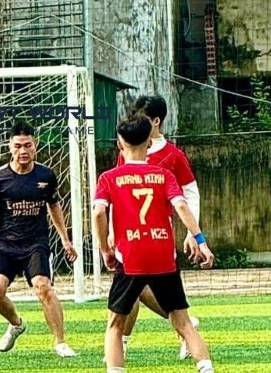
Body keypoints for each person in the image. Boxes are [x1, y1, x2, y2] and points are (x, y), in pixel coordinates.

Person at [93, 114, 216, 373]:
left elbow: (98, 212)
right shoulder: (163, 176)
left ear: (119, 145)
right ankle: (206, 368)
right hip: (163, 255)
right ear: (149, 144)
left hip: (131, 256)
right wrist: (201, 240)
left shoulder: (109, 178)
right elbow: (181, 205)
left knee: (115, 325)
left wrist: (105, 249)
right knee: (183, 322)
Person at [0, 120, 78, 358]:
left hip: (35, 244)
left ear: (35, 145)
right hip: (6, 244)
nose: (23, 151)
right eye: (18, 145)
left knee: (44, 287)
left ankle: (60, 342)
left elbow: (54, 206)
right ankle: (17, 323)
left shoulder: (46, 175)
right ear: (10, 146)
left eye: (27, 145)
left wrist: (65, 239)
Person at [120, 93, 202, 360]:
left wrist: (194, 232)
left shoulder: (172, 156)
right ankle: (125, 341)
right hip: (129, 234)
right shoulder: (127, 151)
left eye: (143, 119)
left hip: (158, 235)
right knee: (132, 291)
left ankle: (178, 326)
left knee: (137, 290)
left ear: (156, 121)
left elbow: (189, 193)